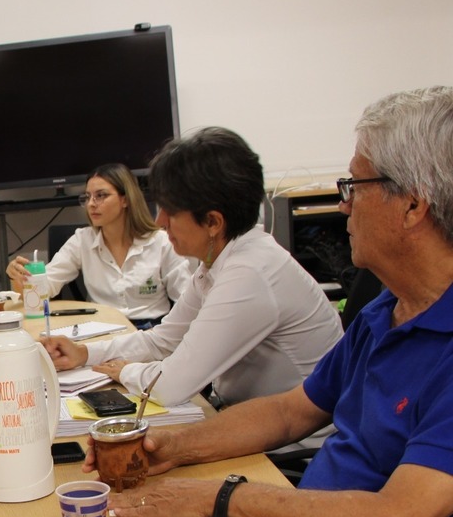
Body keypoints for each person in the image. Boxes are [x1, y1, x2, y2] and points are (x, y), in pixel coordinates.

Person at [90, 86, 453, 517]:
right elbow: (290, 412)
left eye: (354, 186)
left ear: (413, 204)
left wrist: (226, 497)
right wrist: (165, 449)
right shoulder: (384, 314)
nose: (342, 204)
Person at [45, 128, 343, 450]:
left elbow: (171, 385)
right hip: (245, 420)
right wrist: (86, 353)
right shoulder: (219, 261)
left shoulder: (250, 272)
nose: (160, 222)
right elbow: (163, 340)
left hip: (292, 450)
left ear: (213, 222)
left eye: (170, 211)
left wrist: (127, 371)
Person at [6, 163, 193, 329]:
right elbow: (45, 288)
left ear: (125, 199)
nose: (91, 204)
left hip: (151, 330)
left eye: (101, 196)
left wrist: (165, 335)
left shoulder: (161, 242)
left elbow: (188, 301)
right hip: (102, 329)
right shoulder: (82, 240)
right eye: (87, 197)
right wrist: (21, 277)